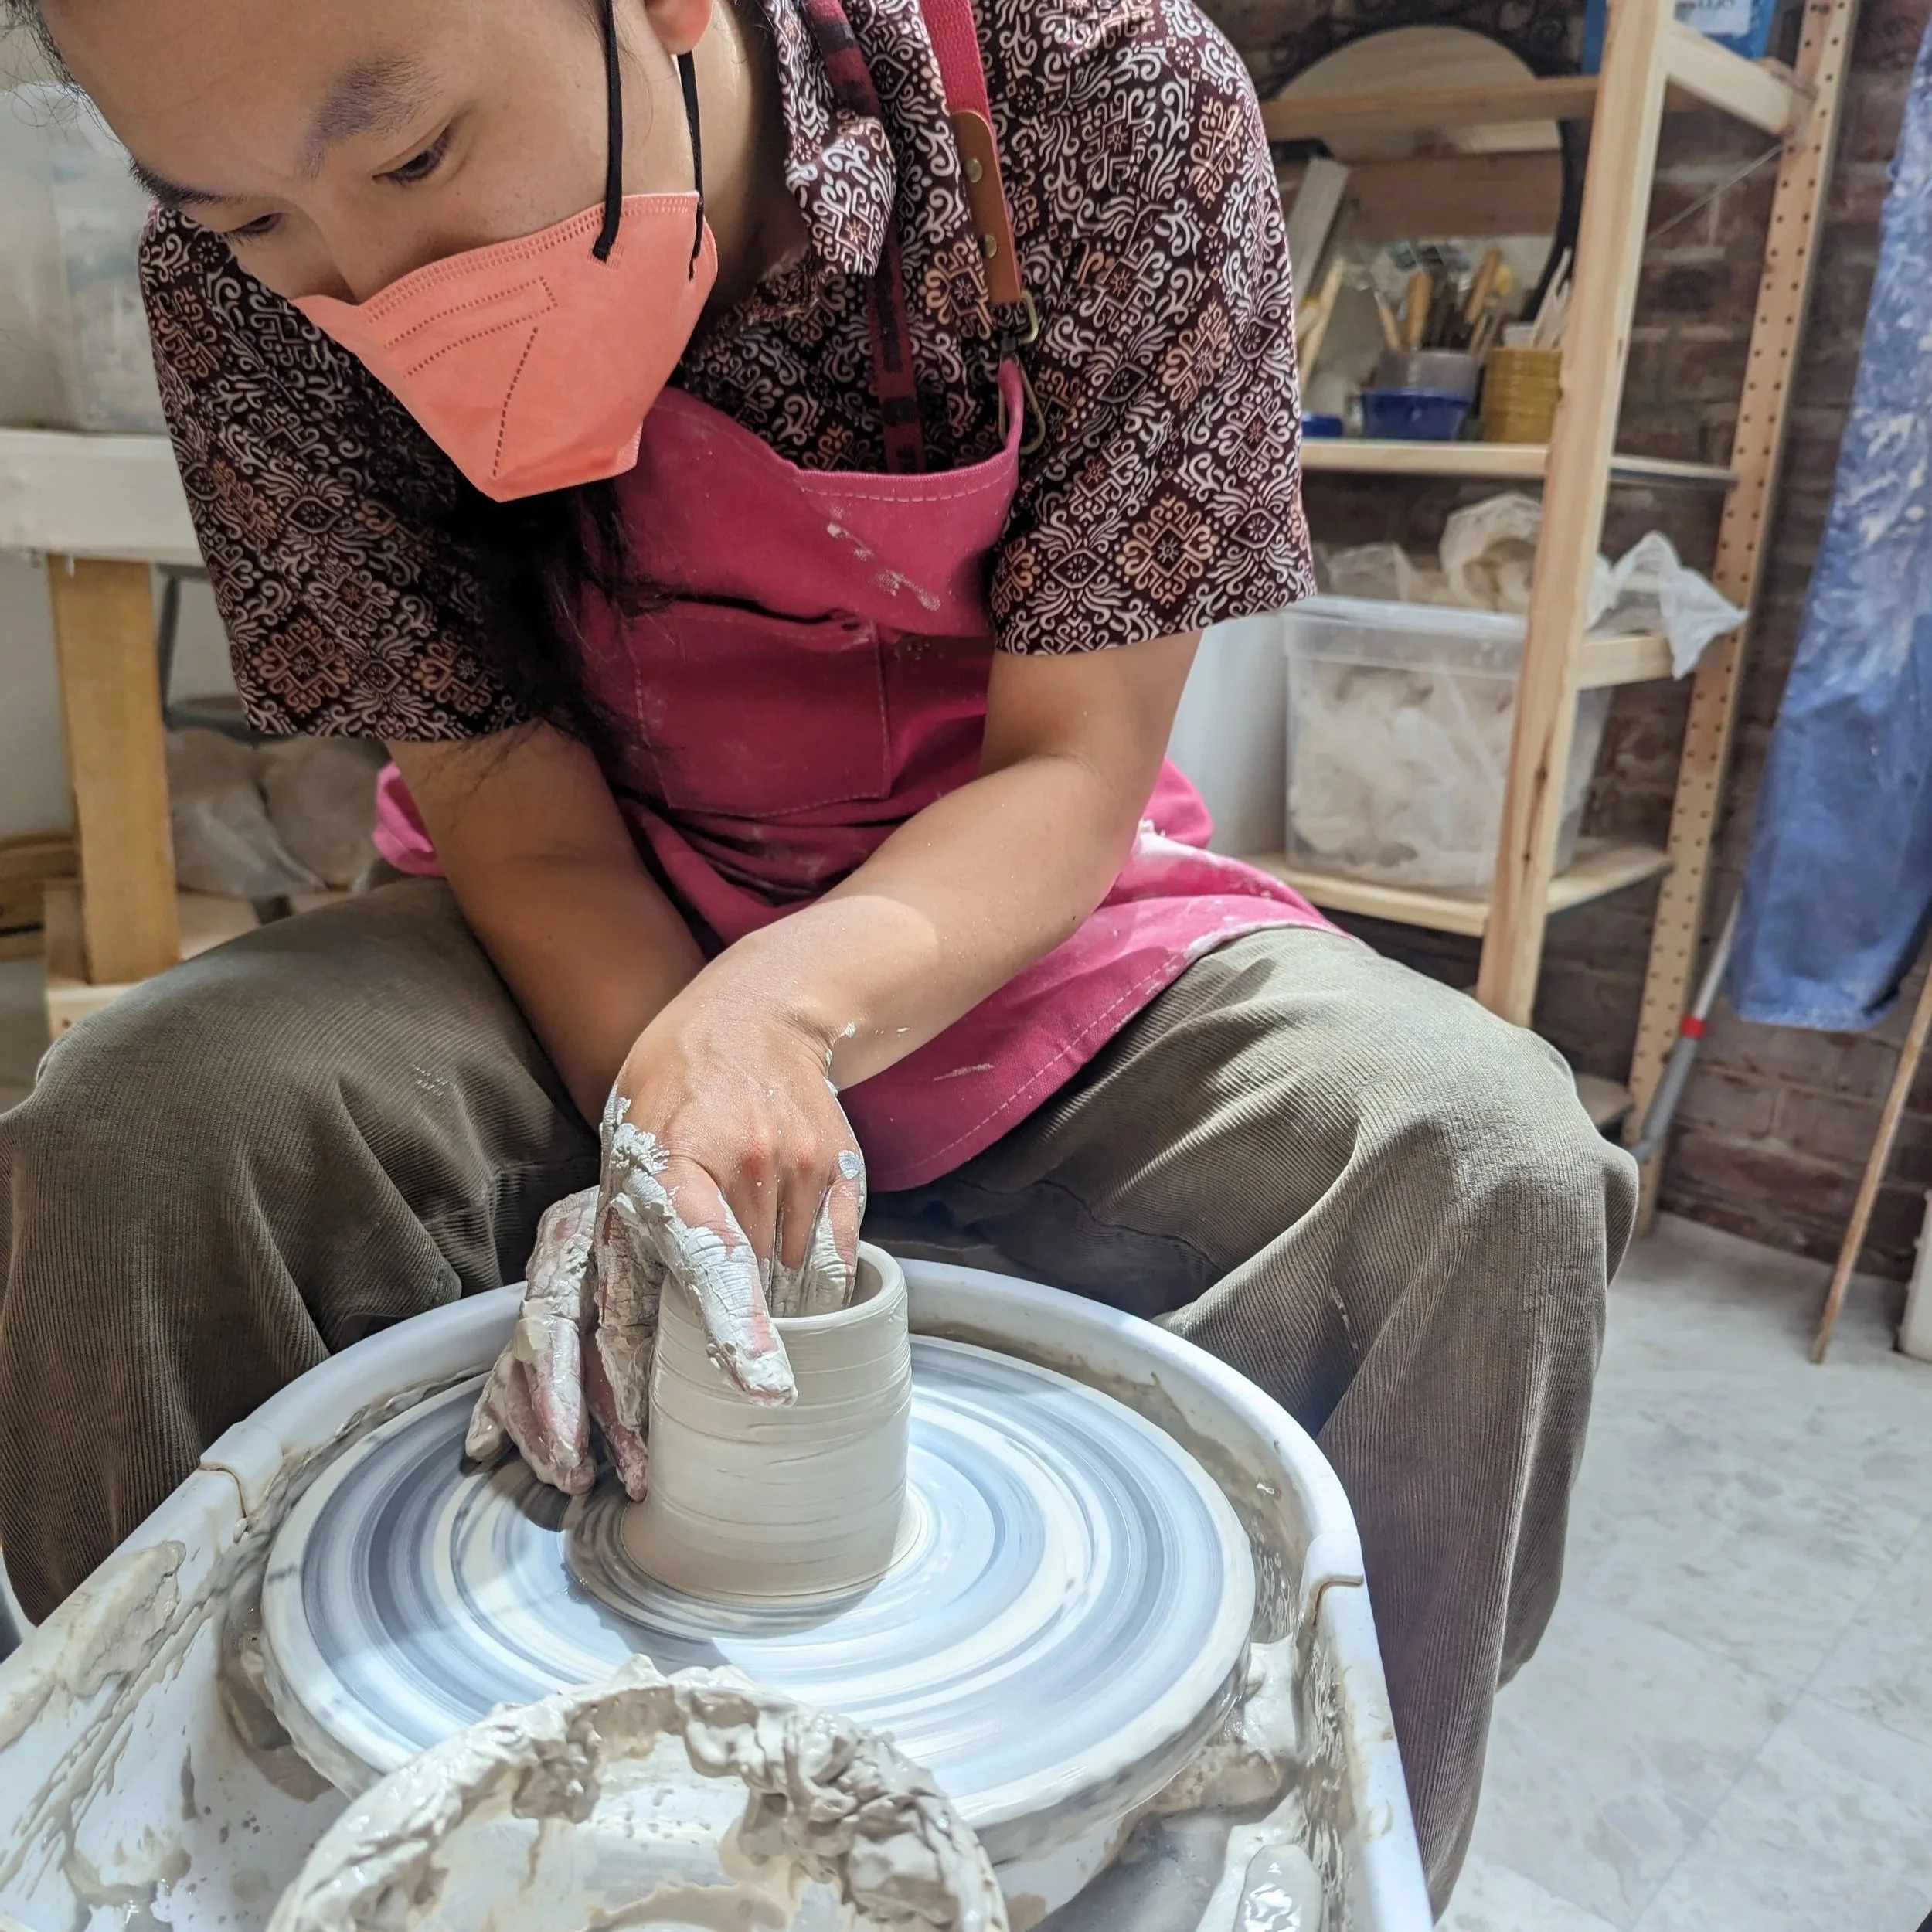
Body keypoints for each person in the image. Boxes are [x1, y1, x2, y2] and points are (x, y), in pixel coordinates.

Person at [0, 0, 1634, 1903]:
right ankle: (248, 1850)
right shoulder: (235, 284)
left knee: (1482, 1165)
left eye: (418, 160)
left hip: (1006, 904)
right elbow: (508, 796)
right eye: (260, 226)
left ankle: (1332, 1870)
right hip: (582, 895)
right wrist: (668, 1092)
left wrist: (778, 1009)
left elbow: (1071, 763)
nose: (363, 286)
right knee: (140, 1136)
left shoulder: (1089, 98)